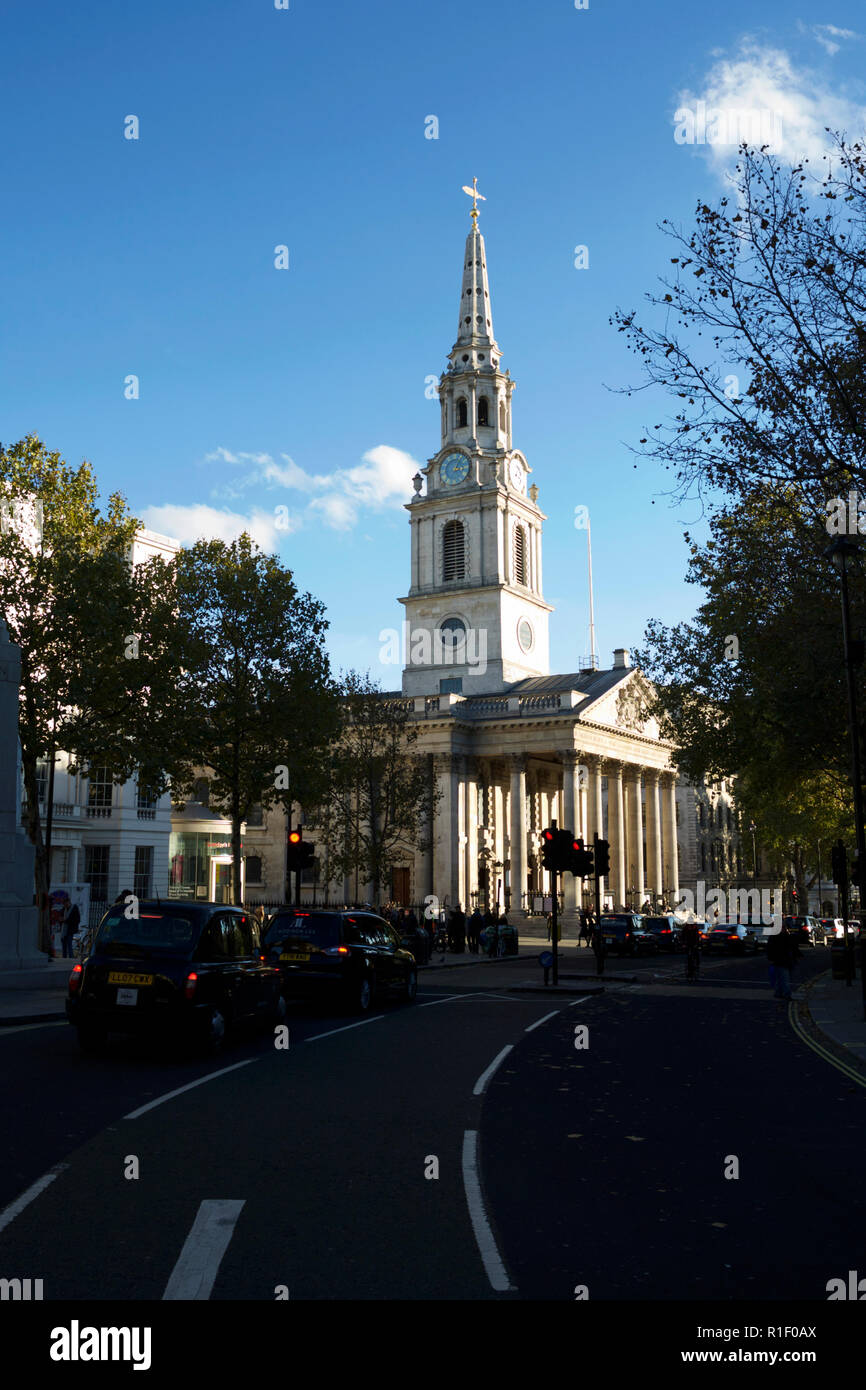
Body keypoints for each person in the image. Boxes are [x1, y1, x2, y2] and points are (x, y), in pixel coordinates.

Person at [767, 919, 800, 1002]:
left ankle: (779, 992)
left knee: (780, 977)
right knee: (785, 978)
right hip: (783, 960)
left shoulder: (774, 936)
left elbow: (770, 949)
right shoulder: (782, 936)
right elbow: (791, 947)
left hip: (780, 960)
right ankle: (786, 994)